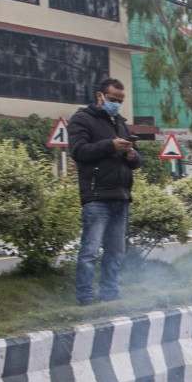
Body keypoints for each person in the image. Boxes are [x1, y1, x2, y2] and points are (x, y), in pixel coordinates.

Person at [68, 77, 144, 307]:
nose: (116, 104)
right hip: (96, 196)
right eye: (113, 99)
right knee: (90, 251)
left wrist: (132, 155)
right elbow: (79, 151)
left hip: (121, 196)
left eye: (120, 101)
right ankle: (85, 296)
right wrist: (110, 145)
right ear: (99, 96)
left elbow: (138, 160)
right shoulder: (82, 119)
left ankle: (110, 294)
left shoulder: (121, 124)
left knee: (116, 251)